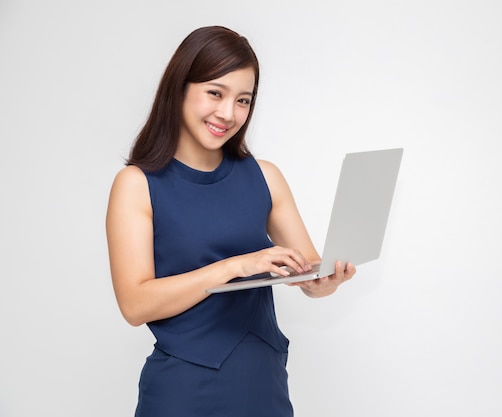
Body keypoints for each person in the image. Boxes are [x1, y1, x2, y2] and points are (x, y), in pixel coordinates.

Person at [105, 26, 356, 417]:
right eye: (215, 93)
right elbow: (135, 305)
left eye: (243, 100)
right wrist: (237, 266)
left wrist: (325, 281)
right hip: (184, 391)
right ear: (180, 88)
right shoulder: (137, 184)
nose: (228, 113)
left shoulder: (265, 176)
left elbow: (307, 274)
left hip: (264, 381)